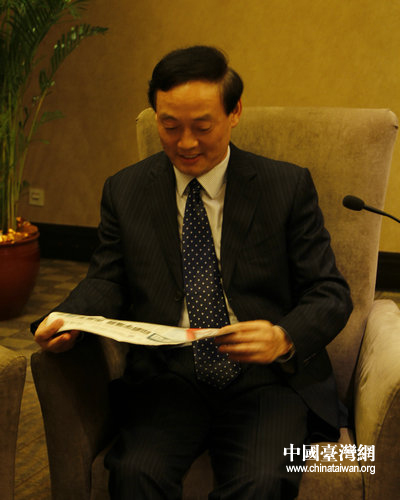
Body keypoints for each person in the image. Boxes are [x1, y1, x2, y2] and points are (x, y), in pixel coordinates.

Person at [33, 45, 353, 499]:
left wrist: (283, 337)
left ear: (234, 112)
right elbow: (107, 280)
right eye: (170, 126)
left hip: (265, 380)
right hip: (168, 375)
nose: (185, 143)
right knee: (135, 473)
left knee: (262, 482)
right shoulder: (125, 190)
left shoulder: (285, 186)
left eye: (202, 127)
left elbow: (329, 291)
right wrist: (67, 318)